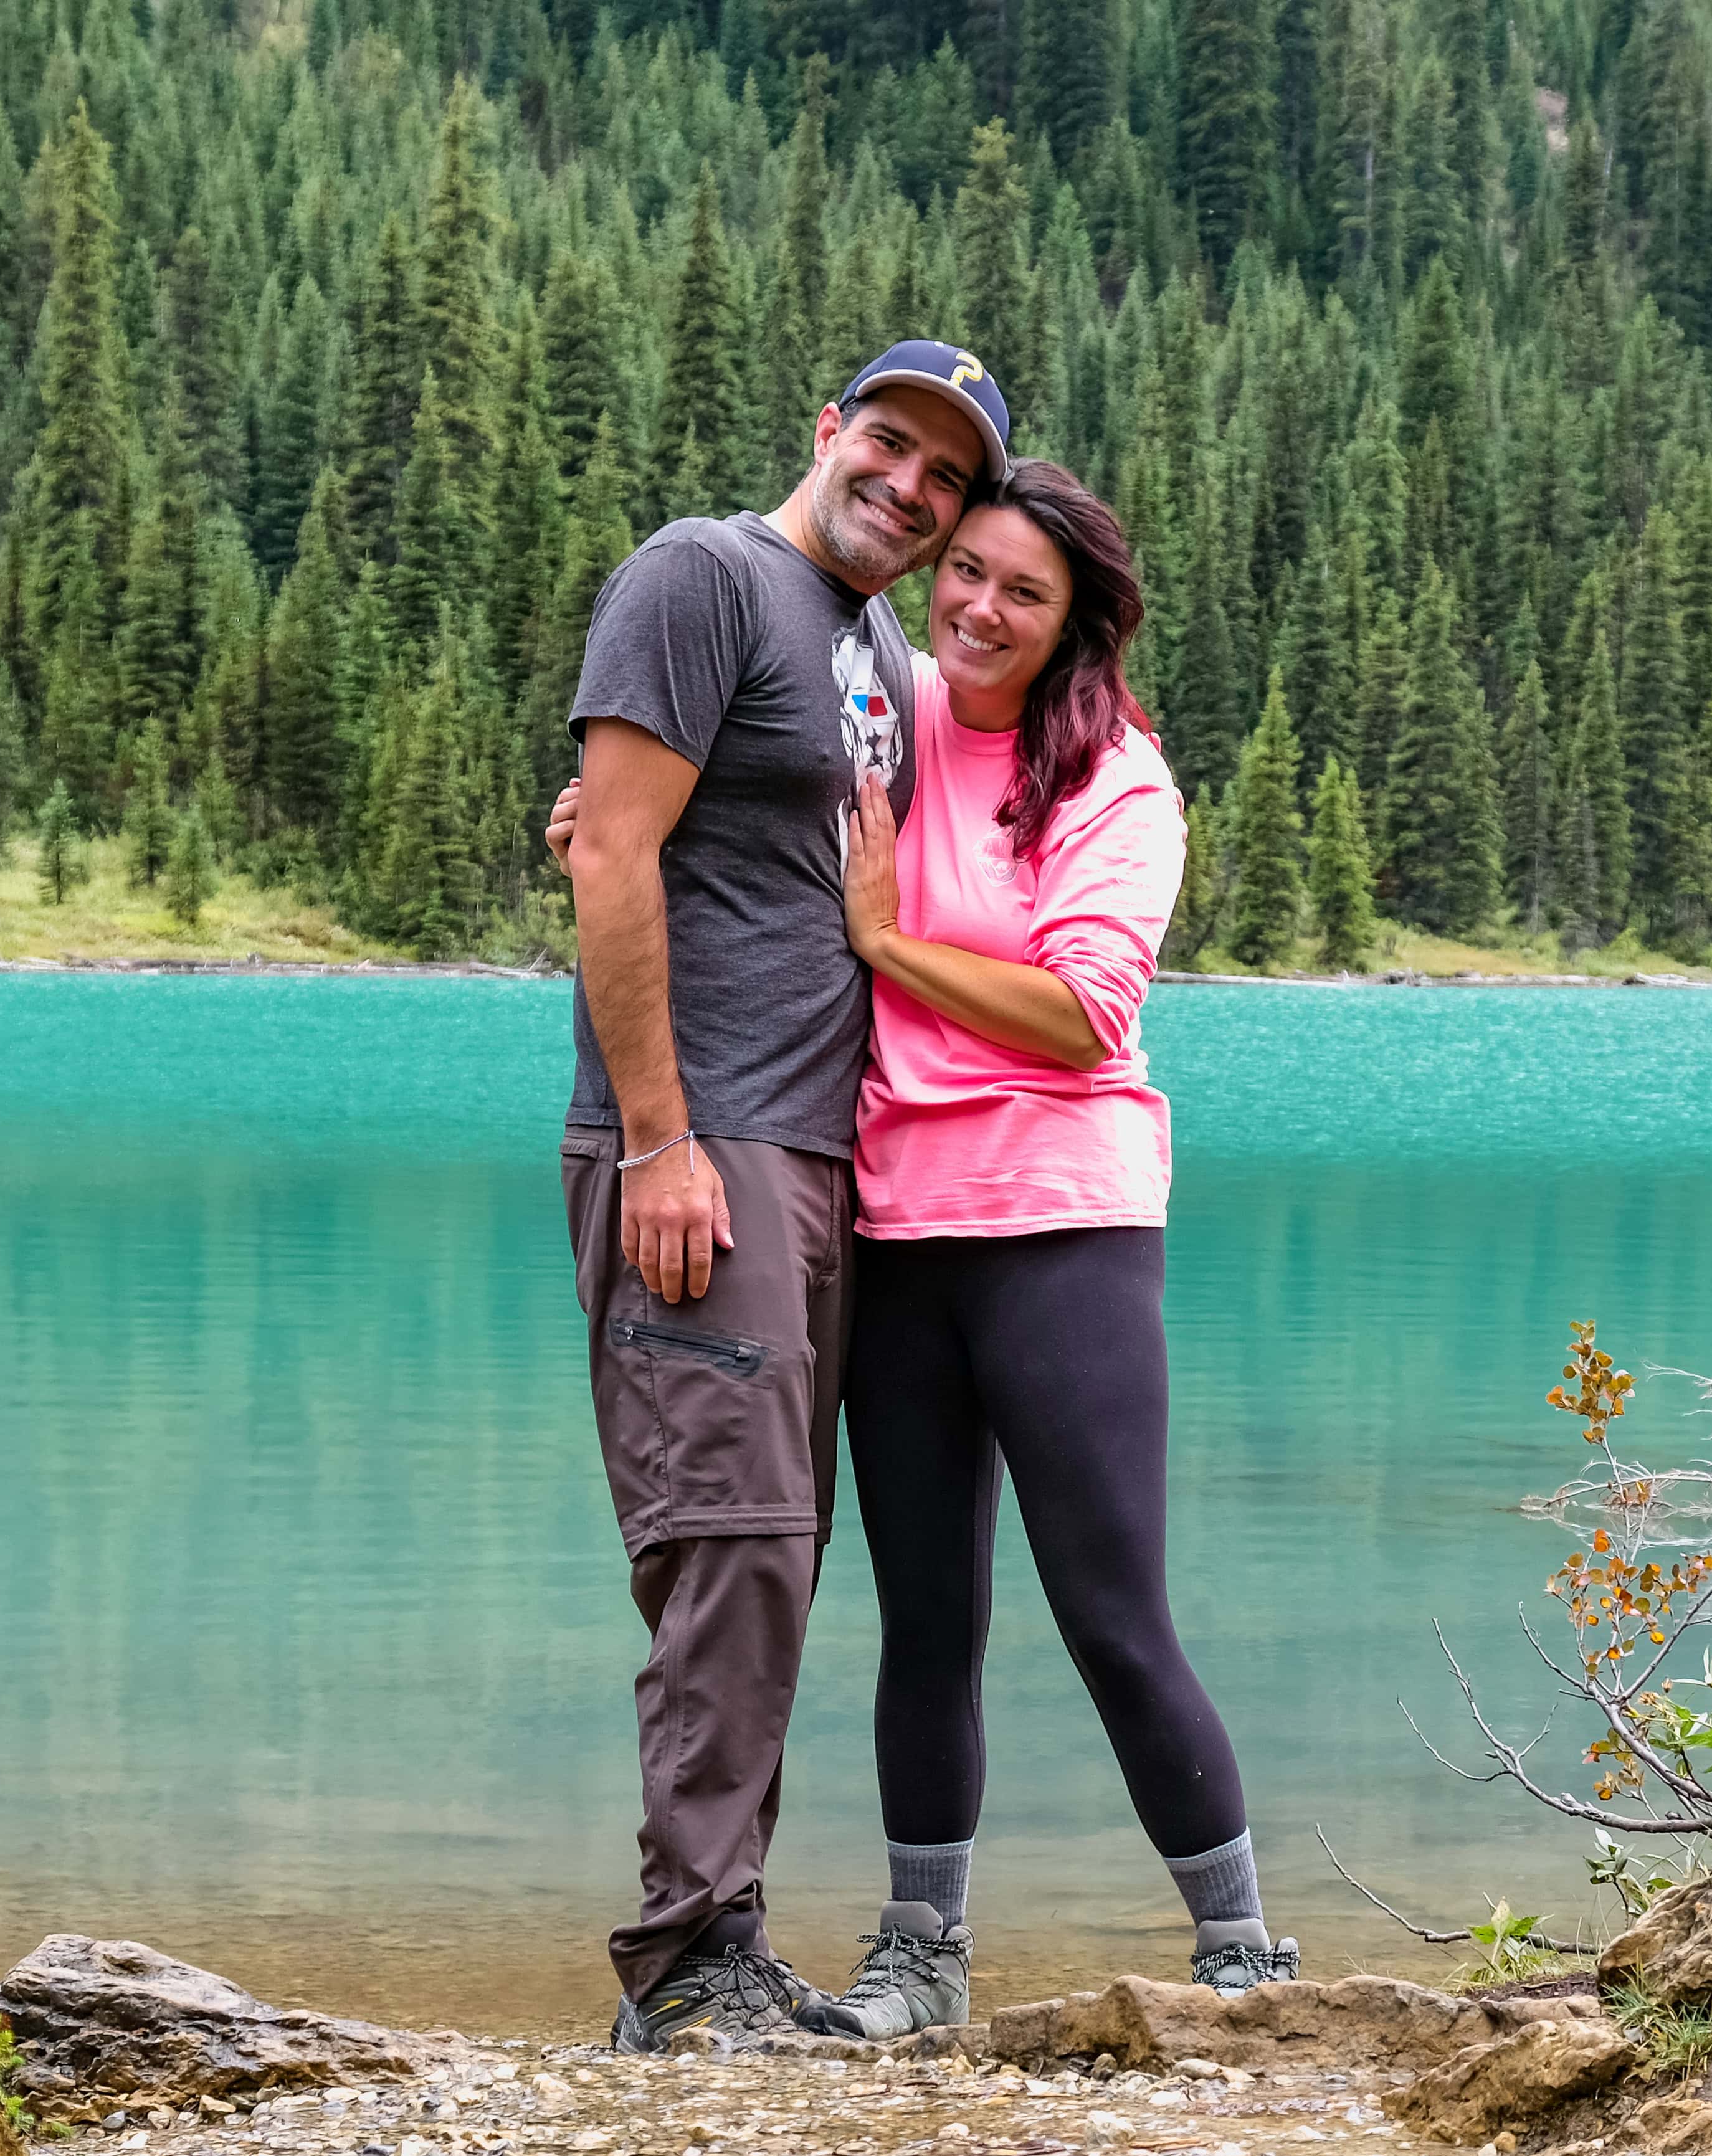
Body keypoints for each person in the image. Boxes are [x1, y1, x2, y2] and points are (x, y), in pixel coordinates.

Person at [551, 461, 1290, 2043]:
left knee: (1110, 1605)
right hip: (890, 1220)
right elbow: (714, 808)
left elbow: (1092, 1013)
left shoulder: (1117, 781)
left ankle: (1240, 1950)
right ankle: (921, 1951)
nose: (980, 609)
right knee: (926, 1613)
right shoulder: (883, 714)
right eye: (966, 573)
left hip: (1060, 1226)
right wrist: (599, 816)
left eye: (1025, 593)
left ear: (1077, 619)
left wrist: (892, 945)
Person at [561, 341, 1007, 2054]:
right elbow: (613, 848)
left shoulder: (871, 640)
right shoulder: (699, 573)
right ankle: (684, 1966)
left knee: (767, 1550)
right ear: (826, 432)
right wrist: (660, 1137)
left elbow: (691, 837)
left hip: (818, 1146)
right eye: (887, 446)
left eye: (944, 479)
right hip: (706, 1137)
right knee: (728, 1542)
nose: (907, 487)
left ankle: (721, 1938)